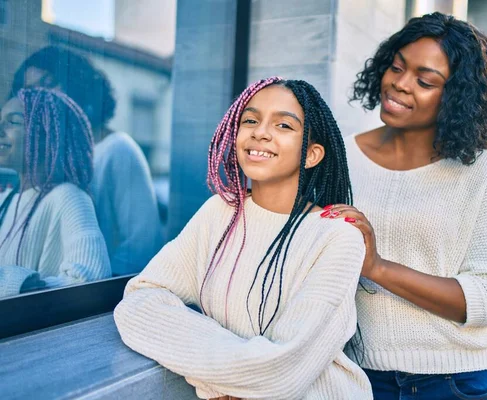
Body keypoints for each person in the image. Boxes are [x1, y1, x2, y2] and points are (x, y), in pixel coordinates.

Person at [114, 78, 373, 399]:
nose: (260, 132)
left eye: (283, 125)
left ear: (312, 154)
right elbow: (138, 301)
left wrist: (231, 376)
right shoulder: (220, 212)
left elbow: (281, 374)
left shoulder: (338, 237)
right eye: (250, 120)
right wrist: (230, 378)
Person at [322, 13, 487, 399]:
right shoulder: (341, 154)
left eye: (424, 81)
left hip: (452, 382)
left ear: (456, 96)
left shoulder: (482, 173)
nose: (399, 84)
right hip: (355, 375)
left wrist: (377, 268)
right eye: (396, 67)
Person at [11, 46, 163, 276]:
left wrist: (92, 291)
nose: (41, 96)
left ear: (77, 84)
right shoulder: (48, 159)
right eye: (30, 90)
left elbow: (141, 247)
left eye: (49, 83)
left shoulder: (117, 150)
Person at [0, 88, 110, 298]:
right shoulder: (7, 200)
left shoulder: (69, 197)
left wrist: (20, 286)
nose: (0, 129)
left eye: (13, 122)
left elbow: (91, 281)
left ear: (47, 134)